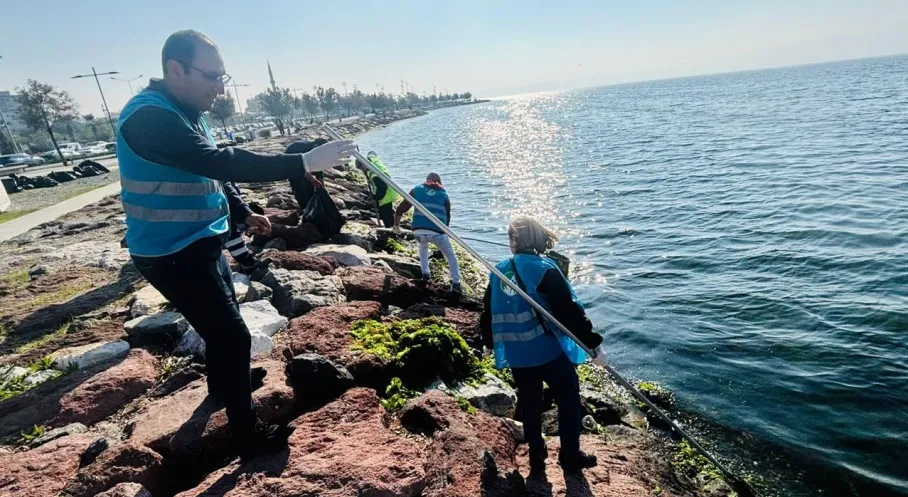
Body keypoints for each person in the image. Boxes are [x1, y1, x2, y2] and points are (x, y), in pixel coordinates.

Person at [116, 29, 355, 461]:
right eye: (211, 76)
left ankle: (224, 387)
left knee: (221, 327)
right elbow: (217, 160)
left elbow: (211, 175)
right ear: (175, 69)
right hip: (170, 252)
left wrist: (243, 213)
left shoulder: (187, 110)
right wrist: (302, 162)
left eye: (222, 77)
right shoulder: (149, 118)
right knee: (232, 335)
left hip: (201, 241)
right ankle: (249, 440)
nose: (219, 88)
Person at [479, 217, 604, 477]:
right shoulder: (544, 268)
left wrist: (488, 343)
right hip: (546, 350)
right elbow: (568, 311)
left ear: (515, 241)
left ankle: (537, 456)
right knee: (568, 398)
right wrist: (594, 345)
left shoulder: (499, 270)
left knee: (530, 403)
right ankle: (569, 456)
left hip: (516, 353)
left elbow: (487, 311)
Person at [393, 172, 461, 293]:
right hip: (437, 233)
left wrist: (396, 226)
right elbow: (447, 216)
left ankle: (425, 274)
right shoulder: (444, 194)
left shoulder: (416, 190)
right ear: (439, 183)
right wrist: (446, 232)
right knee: (450, 255)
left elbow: (400, 208)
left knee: (423, 246)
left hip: (418, 232)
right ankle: (456, 283)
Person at [356, 151, 398, 227]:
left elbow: (382, 188)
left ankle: (390, 230)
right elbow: (372, 154)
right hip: (389, 191)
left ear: (363, 164)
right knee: (388, 213)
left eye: (362, 168)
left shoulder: (374, 174)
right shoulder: (372, 162)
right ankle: (390, 228)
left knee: (386, 215)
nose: (362, 170)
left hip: (385, 195)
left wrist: (375, 197)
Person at [285, 139, 328, 210]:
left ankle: (313, 206)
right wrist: (311, 178)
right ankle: (305, 208)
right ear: (316, 146)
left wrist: (322, 187)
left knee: (310, 186)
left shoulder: (316, 152)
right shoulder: (300, 147)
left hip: (304, 165)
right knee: (299, 187)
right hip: (291, 165)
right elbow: (300, 169)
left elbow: (318, 169)